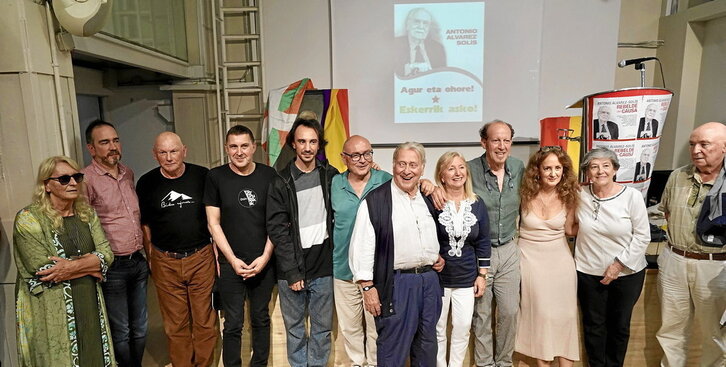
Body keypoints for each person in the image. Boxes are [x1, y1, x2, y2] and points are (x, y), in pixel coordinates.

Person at [14, 156, 115, 366]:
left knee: (93, 353)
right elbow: (42, 268)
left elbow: (107, 253)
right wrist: (91, 267)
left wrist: (70, 267)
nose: (72, 183)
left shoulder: (87, 213)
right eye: (64, 179)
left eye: (76, 177)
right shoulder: (28, 218)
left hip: (88, 299)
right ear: (46, 185)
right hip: (52, 305)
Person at [349, 142, 444, 366]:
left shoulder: (427, 197)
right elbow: (361, 247)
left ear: (422, 168)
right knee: (393, 351)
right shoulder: (375, 201)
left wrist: (435, 255)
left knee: (427, 347)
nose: (407, 170)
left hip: (429, 283)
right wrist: (367, 287)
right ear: (393, 165)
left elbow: (434, 233)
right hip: (397, 285)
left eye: (413, 164)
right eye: (401, 164)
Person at [136, 132, 218, 367]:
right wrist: (151, 255)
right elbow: (145, 224)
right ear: (155, 154)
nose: (169, 157)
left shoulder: (202, 176)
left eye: (173, 151)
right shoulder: (146, 183)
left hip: (201, 256)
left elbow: (214, 216)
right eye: (163, 152)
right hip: (165, 259)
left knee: (204, 322)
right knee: (175, 325)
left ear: (184, 151)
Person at [267, 118, 339, 367]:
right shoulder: (281, 181)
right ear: (293, 145)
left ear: (319, 145)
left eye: (312, 141)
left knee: (321, 331)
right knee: (296, 331)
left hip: (324, 268)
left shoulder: (330, 176)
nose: (307, 147)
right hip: (292, 269)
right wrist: (292, 270)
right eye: (302, 141)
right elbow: (277, 231)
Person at [204, 125, 277, 367]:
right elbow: (213, 224)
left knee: (260, 319)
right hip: (230, 264)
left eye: (244, 145)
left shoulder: (269, 176)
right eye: (233, 146)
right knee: (233, 323)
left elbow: (277, 221)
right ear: (226, 149)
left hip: (262, 263)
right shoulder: (215, 178)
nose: (239, 152)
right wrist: (233, 260)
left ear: (254, 147)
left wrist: (266, 257)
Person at [657, 122, 726, 367]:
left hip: (715, 268)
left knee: (713, 336)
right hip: (674, 261)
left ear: (724, 148)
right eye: (692, 144)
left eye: (704, 144)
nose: (696, 150)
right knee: (671, 331)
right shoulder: (678, 176)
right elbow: (665, 213)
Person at [574, 147, 650, 367]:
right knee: (593, 326)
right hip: (588, 272)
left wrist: (618, 265)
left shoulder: (632, 197)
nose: (600, 171)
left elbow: (643, 237)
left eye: (606, 165)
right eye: (594, 166)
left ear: (615, 169)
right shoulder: (579, 194)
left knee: (619, 326)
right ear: (587, 172)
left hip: (626, 274)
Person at [81, 120, 148, 367]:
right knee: (121, 331)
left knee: (140, 327)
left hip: (137, 261)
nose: (113, 147)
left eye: (115, 140)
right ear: (91, 148)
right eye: (105, 142)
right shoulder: (86, 180)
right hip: (113, 266)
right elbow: (83, 225)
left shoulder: (127, 173)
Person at [514, 146, 580, 366]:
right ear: (537, 171)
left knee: (566, 317)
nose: (553, 173)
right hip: (530, 261)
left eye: (558, 168)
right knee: (541, 318)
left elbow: (571, 230)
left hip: (560, 262)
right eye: (547, 168)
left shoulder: (570, 196)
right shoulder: (523, 194)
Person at [467, 120, 524, 367]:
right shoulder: (468, 169)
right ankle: (484, 364)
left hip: (510, 249)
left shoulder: (518, 167)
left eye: (506, 140)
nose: (501, 146)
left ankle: (504, 362)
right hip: (480, 252)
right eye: (495, 140)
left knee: (510, 312)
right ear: (484, 143)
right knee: (481, 315)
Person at [331, 135, 391, 367]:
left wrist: (427, 184)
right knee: (350, 328)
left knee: (377, 328)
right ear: (344, 158)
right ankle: (357, 364)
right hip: (343, 271)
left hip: (376, 273)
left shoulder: (386, 180)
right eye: (355, 155)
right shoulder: (335, 183)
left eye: (367, 153)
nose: (362, 159)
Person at [432, 151, 491, 367]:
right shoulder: (434, 201)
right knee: (437, 329)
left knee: (463, 326)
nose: (458, 173)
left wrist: (482, 275)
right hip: (437, 279)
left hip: (467, 277)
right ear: (442, 174)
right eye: (451, 168)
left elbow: (483, 241)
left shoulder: (477, 203)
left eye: (461, 167)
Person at [395, 7, 446, 77]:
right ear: (408, 24)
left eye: (425, 23)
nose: (421, 27)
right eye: (417, 21)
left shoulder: (438, 48)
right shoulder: (394, 45)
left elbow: (443, 78)